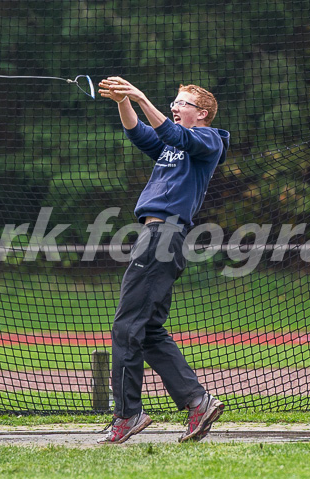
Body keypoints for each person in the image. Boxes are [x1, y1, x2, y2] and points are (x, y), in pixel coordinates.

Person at [97, 77, 230, 444]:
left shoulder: (209, 139)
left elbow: (176, 135)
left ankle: (128, 414)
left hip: (163, 236)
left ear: (201, 113)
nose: (176, 105)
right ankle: (197, 401)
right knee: (149, 330)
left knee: (126, 327)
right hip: (158, 237)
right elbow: (140, 133)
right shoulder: (172, 145)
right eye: (174, 100)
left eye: (183, 102)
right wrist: (125, 101)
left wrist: (141, 95)